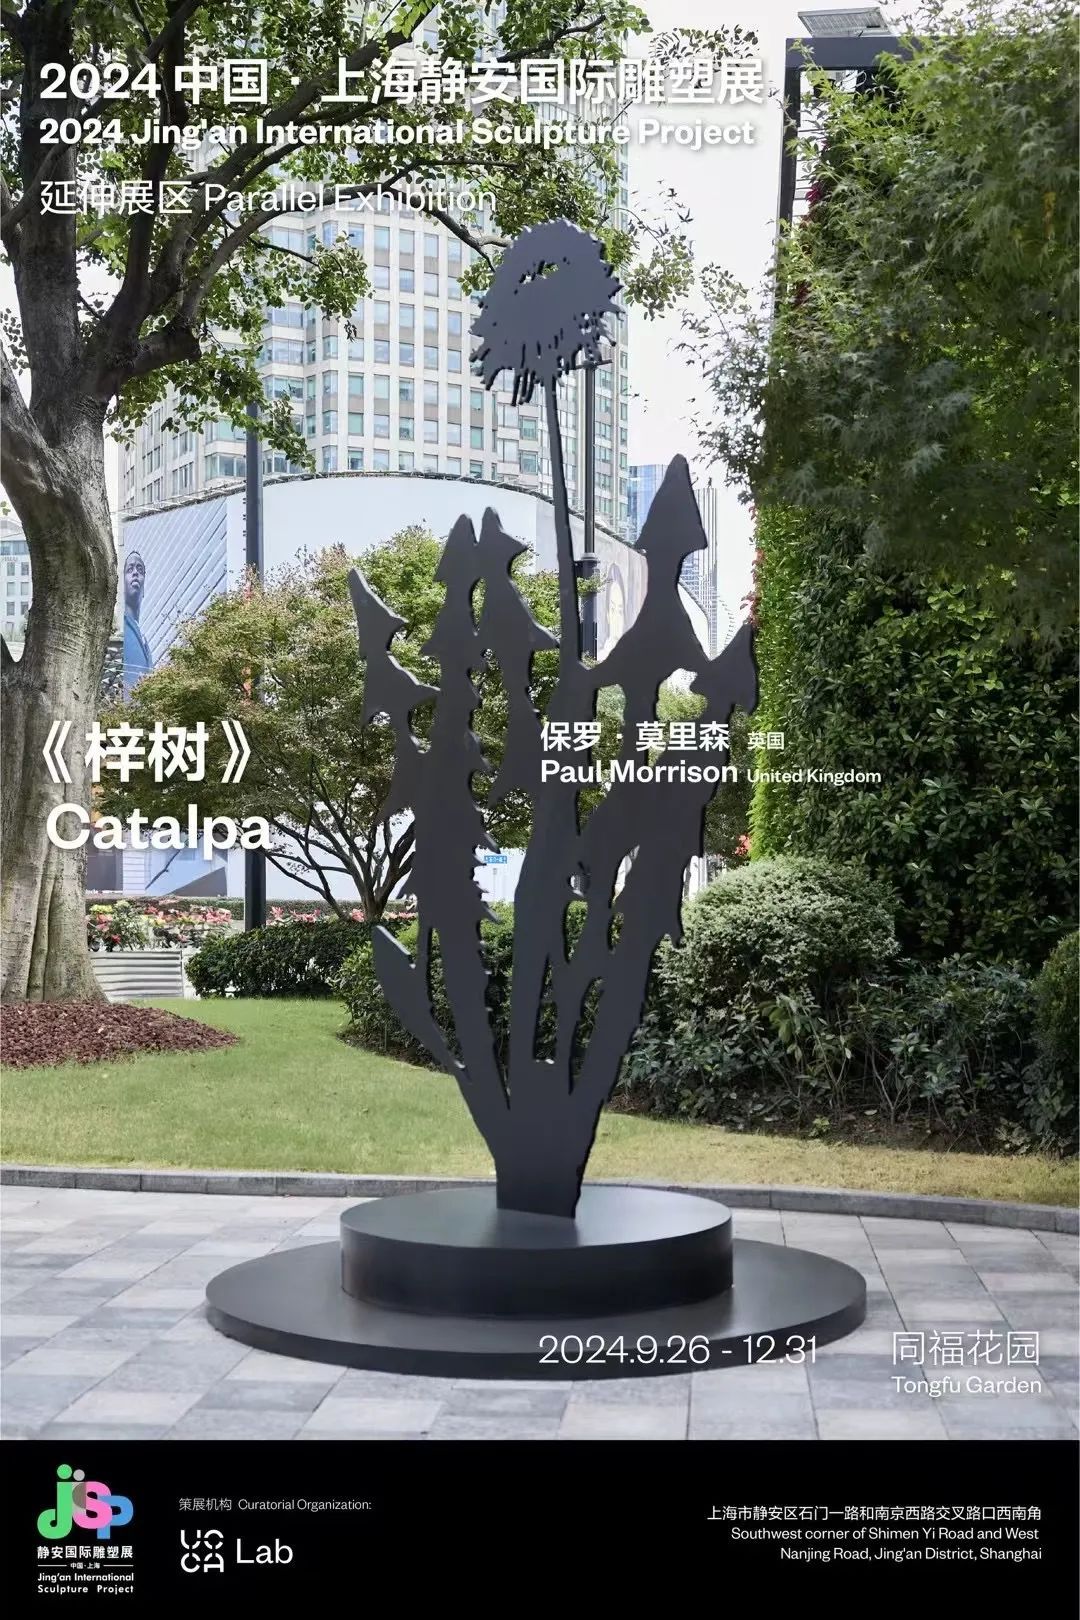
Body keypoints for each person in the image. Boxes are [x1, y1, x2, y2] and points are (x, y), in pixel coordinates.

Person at [122, 550, 153, 694]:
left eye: (140, 570)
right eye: (130, 569)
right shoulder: (120, 627)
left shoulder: (145, 642)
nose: (135, 573)